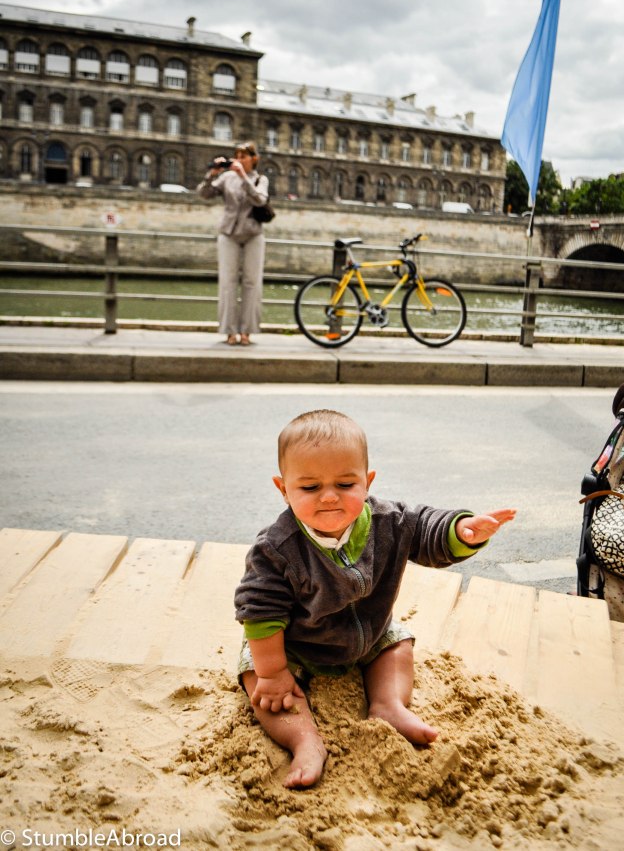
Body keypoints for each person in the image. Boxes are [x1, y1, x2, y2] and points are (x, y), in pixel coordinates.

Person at [234, 409, 517, 789]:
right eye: (310, 488)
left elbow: (426, 528)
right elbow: (260, 609)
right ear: (283, 488)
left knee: (397, 643)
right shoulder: (277, 548)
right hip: (295, 644)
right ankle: (304, 740)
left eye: (345, 484)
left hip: (369, 634)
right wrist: (272, 672)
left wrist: (461, 531)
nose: (330, 497)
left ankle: (388, 706)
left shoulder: (389, 522)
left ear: (367, 482)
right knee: (262, 684)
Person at [196, 141, 269, 346]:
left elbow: (260, 200)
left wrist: (244, 178)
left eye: (243, 156)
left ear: (254, 159)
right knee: (227, 283)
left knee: (252, 283)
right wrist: (212, 173)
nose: (239, 160)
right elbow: (204, 194)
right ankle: (229, 331)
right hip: (228, 233)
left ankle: (247, 331)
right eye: (236, 156)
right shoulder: (226, 177)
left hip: (253, 234)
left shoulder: (260, 179)